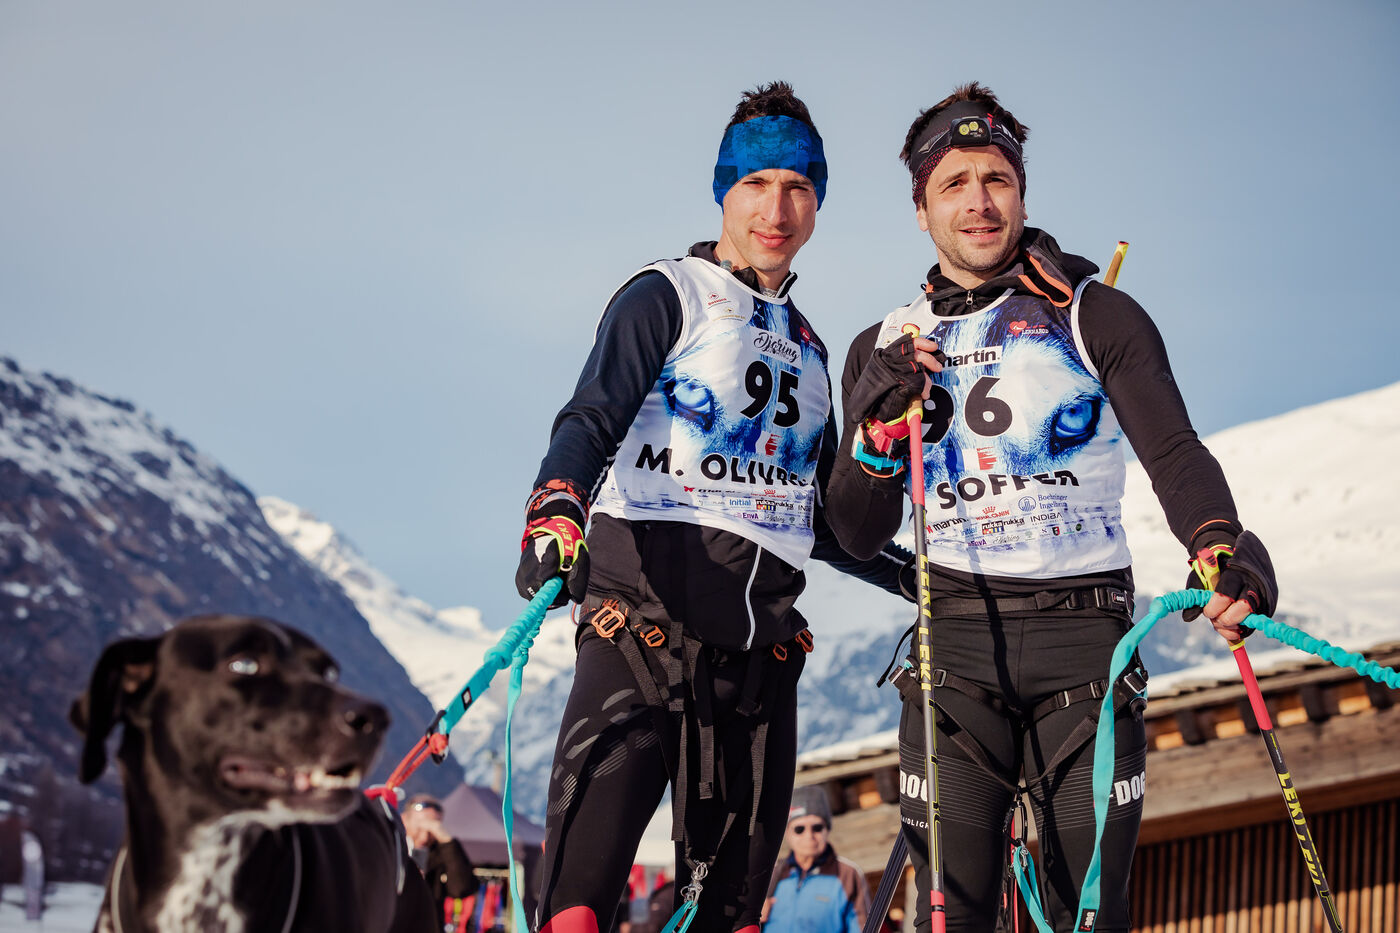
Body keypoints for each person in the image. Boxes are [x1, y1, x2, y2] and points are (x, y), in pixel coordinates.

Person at [824, 83, 1279, 933]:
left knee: (1089, 915)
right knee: (954, 915)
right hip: (955, 645)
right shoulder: (884, 344)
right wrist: (877, 433)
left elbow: (1174, 451)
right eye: (954, 184)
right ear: (920, 208)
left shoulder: (1090, 311)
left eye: (996, 178)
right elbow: (853, 529)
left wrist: (1220, 543)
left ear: (1023, 193)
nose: (979, 201)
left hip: (1084, 645)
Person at [515, 81, 911, 933]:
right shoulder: (667, 293)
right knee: (576, 912)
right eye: (756, 183)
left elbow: (824, 520)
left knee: (729, 921)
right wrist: (556, 505)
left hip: (757, 670)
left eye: (798, 188)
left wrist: (920, 577)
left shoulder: (810, 350)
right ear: (724, 191)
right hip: (639, 636)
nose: (777, 208)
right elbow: (591, 416)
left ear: (818, 203)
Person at [761, 786, 870, 933]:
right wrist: (754, 917)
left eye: (817, 828)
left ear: (827, 829)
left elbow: (863, 928)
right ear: (786, 832)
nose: (809, 836)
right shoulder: (769, 875)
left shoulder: (848, 874)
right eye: (799, 829)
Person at [402, 794, 481, 932]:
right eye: (420, 825)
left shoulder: (442, 853)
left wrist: (446, 841)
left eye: (433, 827)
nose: (425, 835)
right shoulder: (392, 847)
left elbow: (461, 888)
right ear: (404, 819)